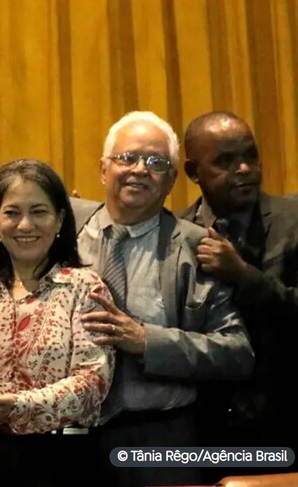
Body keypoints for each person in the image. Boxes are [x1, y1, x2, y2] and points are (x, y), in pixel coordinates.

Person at [72, 111, 254, 486]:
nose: (140, 169)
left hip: (160, 439)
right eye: (127, 158)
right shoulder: (66, 238)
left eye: (156, 162)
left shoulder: (197, 247)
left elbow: (237, 353)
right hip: (73, 440)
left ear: (172, 179)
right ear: (103, 169)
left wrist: (146, 341)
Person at [0, 159, 114, 486]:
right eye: (12, 213)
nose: (25, 225)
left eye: (39, 211)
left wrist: (20, 406)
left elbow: (94, 381)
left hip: (66, 460)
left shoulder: (85, 286)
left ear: (60, 220)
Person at [180, 111, 298, 475]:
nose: (244, 168)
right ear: (193, 172)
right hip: (206, 433)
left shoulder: (293, 218)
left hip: (287, 420)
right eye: (225, 161)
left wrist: (244, 276)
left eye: (250, 155)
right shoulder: (175, 235)